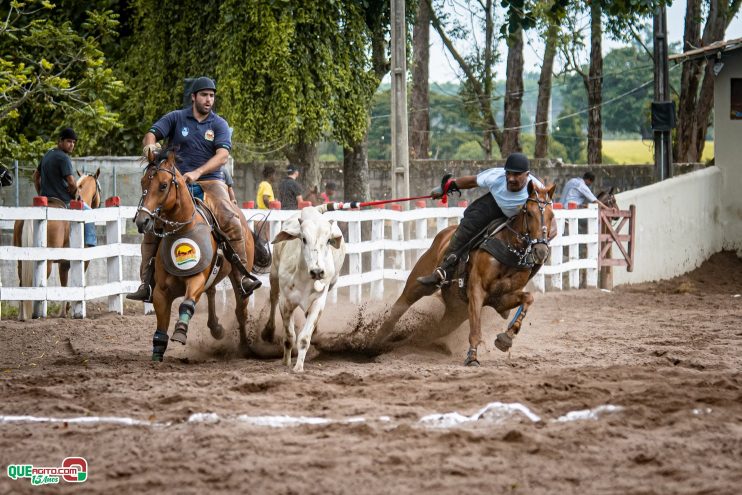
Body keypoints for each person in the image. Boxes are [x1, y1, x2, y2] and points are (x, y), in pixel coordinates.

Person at [127, 76, 261, 302]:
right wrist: (149, 146)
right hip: (175, 183)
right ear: (193, 97)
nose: (209, 100)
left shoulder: (218, 124)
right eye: (204, 95)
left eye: (212, 96)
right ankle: (147, 283)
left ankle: (242, 277)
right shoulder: (176, 117)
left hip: (211, 182)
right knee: (151, 223)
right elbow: (152, 133)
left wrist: (198, 173)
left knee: (230, 219)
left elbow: (222, 155)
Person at [417, 152, 555, 287]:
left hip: (523, 217)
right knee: (469, 224)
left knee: (541, 251)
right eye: (509, 173)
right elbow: (471, 181)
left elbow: (550, 223)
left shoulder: (538, 191)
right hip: (495, 204)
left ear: (527, 174)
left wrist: (543, 239)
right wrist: (446, 187)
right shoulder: (495, 176)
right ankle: (443, 269)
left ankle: (521, 283)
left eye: (517, 174)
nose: (511, 178)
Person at [33, 127, 96, 247]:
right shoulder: (64, 158)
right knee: (88, 211)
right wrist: (76, 196)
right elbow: (71, 183)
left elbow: (35, 177)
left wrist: (41, 194)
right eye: (68, 141)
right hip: (63, 201)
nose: (72, 145)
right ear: (60, 141)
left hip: (46, 200)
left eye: (73, 142)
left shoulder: (47, 155)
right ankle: (90, 243)